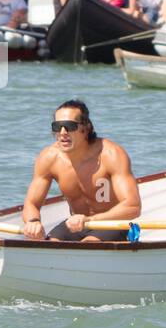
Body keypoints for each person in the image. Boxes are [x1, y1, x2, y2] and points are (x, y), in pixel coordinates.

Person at [21, 100, 141, 243]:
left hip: (112, 223)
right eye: (57, 126)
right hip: (75, 225)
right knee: (50, 244)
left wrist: (90, 220)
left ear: (86, 128)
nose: (63, 132)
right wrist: (33, 221)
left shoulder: (111, 154)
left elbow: (133, 206)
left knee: (89, 244)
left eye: (70, 126)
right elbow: (31, 203)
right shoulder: (49, 158)